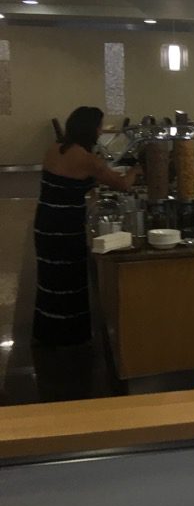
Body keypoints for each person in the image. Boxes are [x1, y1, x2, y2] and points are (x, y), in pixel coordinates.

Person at [34, 106, 141, 346]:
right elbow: (122, 185)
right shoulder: (88, 160)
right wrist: (137, 170)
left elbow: (68, 182)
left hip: (45, 221)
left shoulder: (55, 148)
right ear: (90, 129)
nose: (101, 131)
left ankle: (47, 331)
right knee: (70, 277)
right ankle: (69, 336)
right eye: (99, 126)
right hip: (65, 226)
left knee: (50, 277)